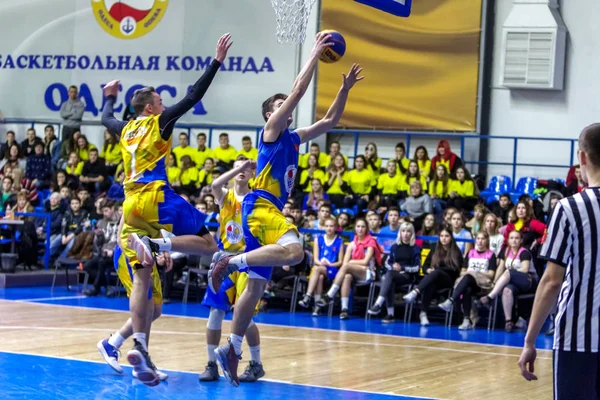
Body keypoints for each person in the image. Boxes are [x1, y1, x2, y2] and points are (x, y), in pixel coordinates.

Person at [207, 33, 364, 386]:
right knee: (295, 253)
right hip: (261, 205)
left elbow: (330, 122)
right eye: (280, 104)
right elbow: (296, 92)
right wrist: (312, 55)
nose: (288, 108)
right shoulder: (271, 130)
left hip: (263, 211)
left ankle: (232, 347)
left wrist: (345, 90)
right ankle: (229, 262)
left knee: (255, 289)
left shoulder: (294, 138)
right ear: (270, 113)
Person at [100, 33, 231, 386]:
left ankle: (139, 346)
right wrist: (216, 62)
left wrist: (108, 97)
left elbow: (105, 118)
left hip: (130, 207)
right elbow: (193, 96)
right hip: (156, 196)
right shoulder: (158, 123)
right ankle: (159, 245)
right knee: (208, 244)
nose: (163, 102)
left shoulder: (126, 128)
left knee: (143, 277)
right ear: (150, 108)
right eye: (159, 100)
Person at [518, 123, 600, 400]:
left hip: (577, 336)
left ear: (582, 158)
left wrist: (530, 340)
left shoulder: (569, 208)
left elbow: (552, 281)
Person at [199, 156, 265, 383]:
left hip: (248, 261)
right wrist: (237, 168)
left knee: (244, 317)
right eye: (238, 168)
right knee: (215, 313)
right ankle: (210, 364)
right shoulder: (224, 195)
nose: (242, 171)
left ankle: (256, 364)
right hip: (225, 261)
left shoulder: (256, 199)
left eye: (247, 169)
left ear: (252, 175)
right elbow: (215, 185)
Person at [96, 216, 173, 383]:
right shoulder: (135, 195)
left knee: (156, 310)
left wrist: (163, 250)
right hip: (130, 255)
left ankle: (112, 343)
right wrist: (135, 256)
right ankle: (143, 362)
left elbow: (154, 226)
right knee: (147, 307)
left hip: (148, 255)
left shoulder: (159, 197)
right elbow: (120, 236)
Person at [315, 218, 382, 320]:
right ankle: (344, 309)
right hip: (354, 271)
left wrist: (352, 262)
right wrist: (352, 264)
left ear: (366, 229)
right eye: (358, 226)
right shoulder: (352, 244)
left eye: (363, 227)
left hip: (368, 272)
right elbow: (345, 263)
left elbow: (365, 262)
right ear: (355, 228)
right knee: (347, 276)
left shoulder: (371, 242)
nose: (360, 229)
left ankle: (330, 294)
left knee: (347, 267)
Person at [477, 230, 538, 332]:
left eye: (517, 238)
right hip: (514, 283)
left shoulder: (524, 252)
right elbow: (500, 268)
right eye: (511, 238)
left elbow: (525, 269)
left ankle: (490, 297)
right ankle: (508, 321)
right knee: (506, 290)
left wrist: (511, 274)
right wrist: (495, 282)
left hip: (529, 280)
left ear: (521, 240)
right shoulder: (505, 251)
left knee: (508, 272)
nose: (514, 241)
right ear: (508, 240)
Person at [403, 228, 463, 326]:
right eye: (442, 236)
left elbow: (455, 269)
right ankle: (423, 314)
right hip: (434, 279)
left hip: (448, 280)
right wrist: (427, 270)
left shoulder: (456, 251)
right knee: (430, 284)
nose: (444, 239)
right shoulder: (434, 248)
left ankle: (415, 292)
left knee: (437, 272)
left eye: (446, 236)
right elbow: (425, 265)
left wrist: (436, 270)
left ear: (451, 238)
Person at [438, 231, 497, 330]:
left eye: (483, 239)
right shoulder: (470, 253)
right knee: (467, 288)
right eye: (478, 239)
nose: (480, 241)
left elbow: (491, 275)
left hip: (483, 284)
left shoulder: (491, 255)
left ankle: (451, 300)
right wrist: (470, 273)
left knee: (469, 276)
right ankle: (466, 320)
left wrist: (475, 273)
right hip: (469, 282)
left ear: (487, 241)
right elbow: (462, 272)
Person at [368, 222, 421, 322]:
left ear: (412, 234)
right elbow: (388, 262)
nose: (405, 234)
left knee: (389, 276)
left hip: (407, 276)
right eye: (403, 231)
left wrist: (402, 268)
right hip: (393, 275)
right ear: (400, 233)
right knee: (390, 279)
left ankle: (378, 304)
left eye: (408, 231)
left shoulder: (415, 249)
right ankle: (390, 315)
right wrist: (392, 266)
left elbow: (417, 267)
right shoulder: (395, 247)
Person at [298, 217, 344, 315]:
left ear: (336, 227)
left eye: (331, 226)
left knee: (317, 270)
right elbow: (315, 259)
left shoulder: (339, 241)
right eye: (327, 226)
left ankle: (307, 296)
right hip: (320, 267)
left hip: (332, 269)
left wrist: (330, 264)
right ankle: (317, 307)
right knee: (319, 276)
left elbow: (340, 262)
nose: (329, 228)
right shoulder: (318, 240)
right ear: (324, 227)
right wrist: (321, 263)